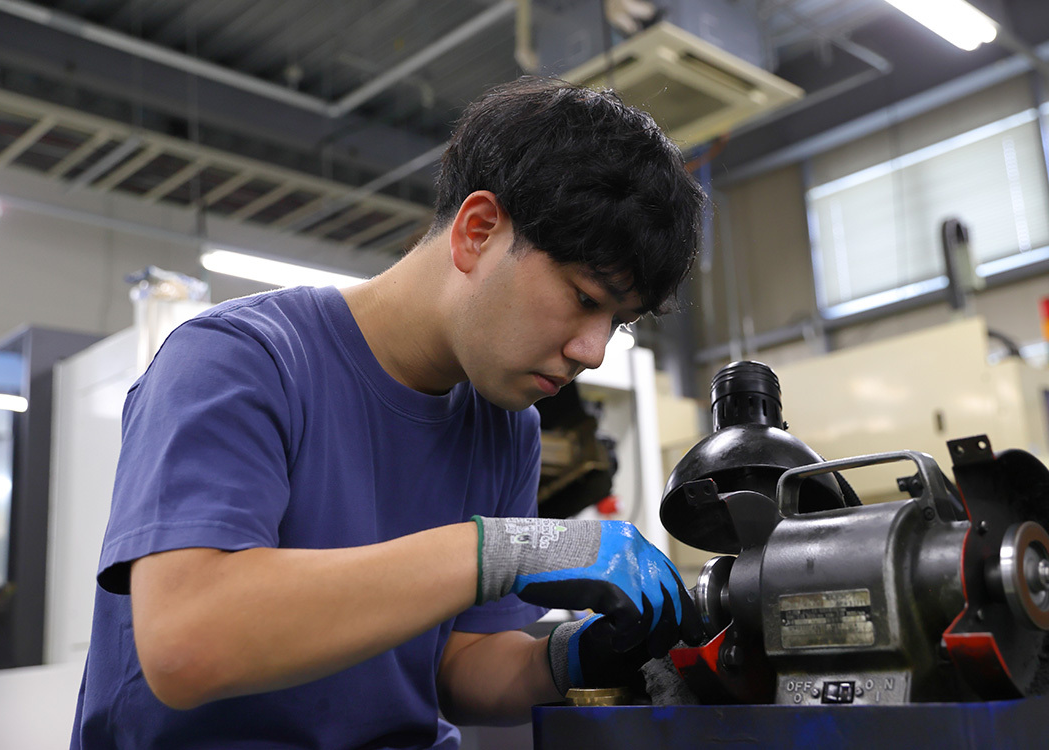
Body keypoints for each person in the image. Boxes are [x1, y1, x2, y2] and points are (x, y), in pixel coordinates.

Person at [71, 76, 706, 749]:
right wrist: (505, 550)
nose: (594, 351)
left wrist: (572, 657)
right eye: (585, 299)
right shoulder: (240, 360)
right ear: (478, 231)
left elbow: (456, 667)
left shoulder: (506, 426)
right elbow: (187, 642)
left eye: (619, 322)